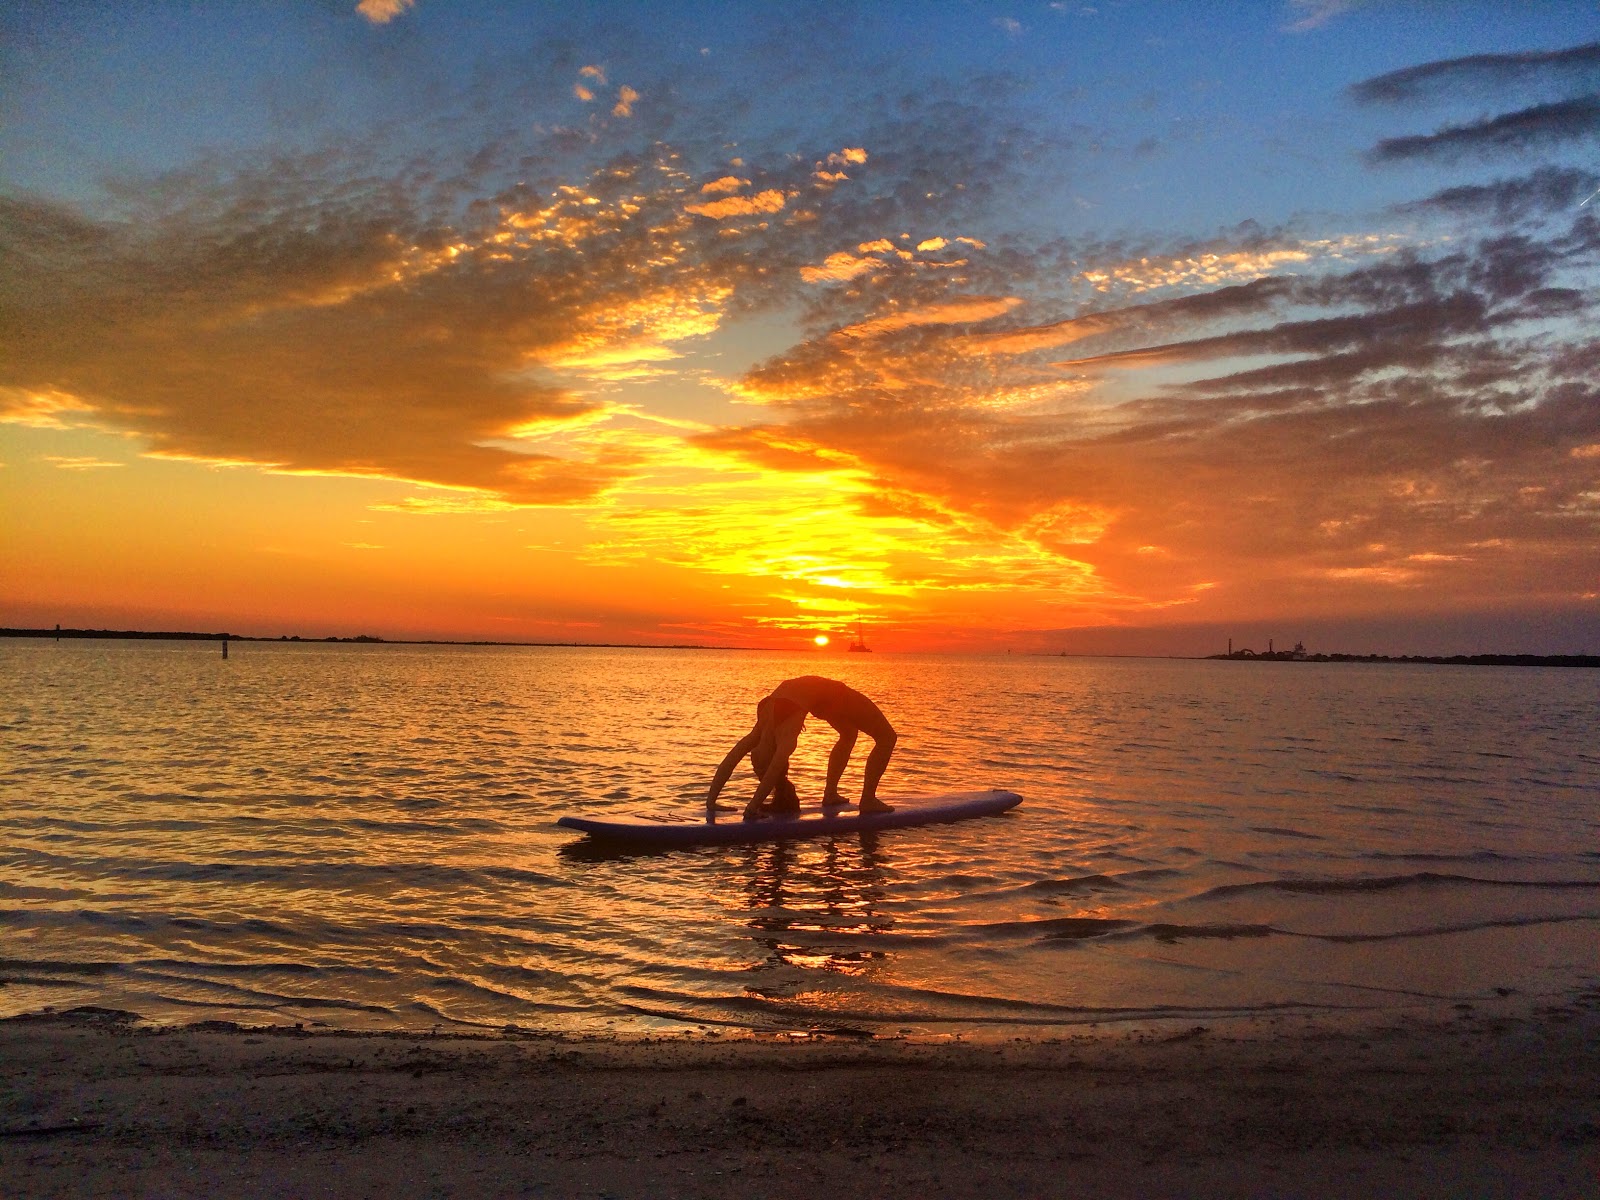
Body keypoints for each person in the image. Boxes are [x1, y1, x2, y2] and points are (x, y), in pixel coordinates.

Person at [706, 676, 897, 821]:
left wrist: (715, 801)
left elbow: (732, 759)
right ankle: (867, 800)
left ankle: (831, 795)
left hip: (826, 699)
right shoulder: (774, 733)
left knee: (848, 734)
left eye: (758, 768)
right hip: (831, 697)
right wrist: (749, 807)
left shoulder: (759, 732)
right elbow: (755, 765)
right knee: (887, 737)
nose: (757, 766)